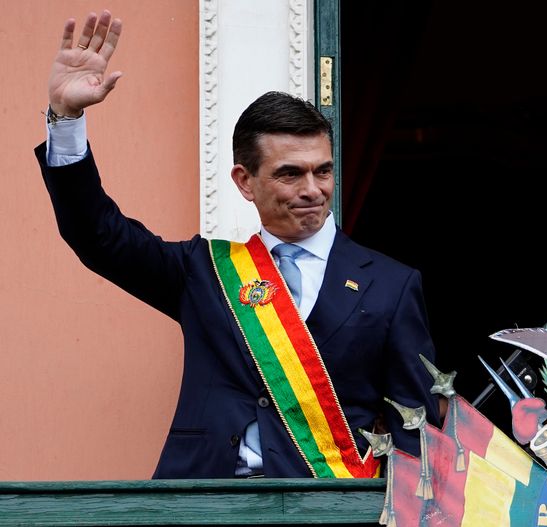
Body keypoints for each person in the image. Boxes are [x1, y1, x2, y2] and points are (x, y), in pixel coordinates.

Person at [36, 10, 440, 479]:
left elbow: (417, 435)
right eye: (290, 173)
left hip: (324, 508)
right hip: (205, 503)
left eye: (323, 170)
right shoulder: (204, 271)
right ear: (244, 182)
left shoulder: (391, 285)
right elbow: (97, 235)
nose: (313, 188)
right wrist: (66, 118)